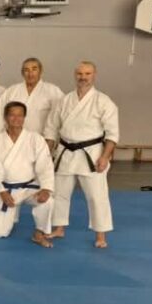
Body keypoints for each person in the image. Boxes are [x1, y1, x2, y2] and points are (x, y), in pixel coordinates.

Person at [44, 61, 119, 249]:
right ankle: (59, 228)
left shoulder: (103, 101)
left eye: (87, 73)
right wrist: (47, 154)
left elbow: (112, 134)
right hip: (65, 152)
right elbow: (51, 128)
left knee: (97, 196)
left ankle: (100, 234)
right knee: (59, 194)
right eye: (79, 73)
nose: (83, 77)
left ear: (94, 75)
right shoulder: (64, 100)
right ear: (74, 75)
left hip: (91, 154)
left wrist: (105, 156)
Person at [0, 101, 55, 247]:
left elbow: (45, 165)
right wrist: (1, 191)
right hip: (5, 190)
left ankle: (39, 233)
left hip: (28, 188)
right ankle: (11, 214)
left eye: (20, 115)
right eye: (12, 115)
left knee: (48, 200)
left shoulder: (35, 139)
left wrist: (46, 188)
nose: (16, 119)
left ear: (24, 117)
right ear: (5, 117)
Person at [0, 57, 64, 135]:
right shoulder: (11, 91)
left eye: (34, 69)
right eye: (26, 70)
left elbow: (58, 117)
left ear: (40, 71)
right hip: (14, 137)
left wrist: (51, 138)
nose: (30, 73)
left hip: (42, 138)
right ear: (22, 73)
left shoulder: (53, 91)